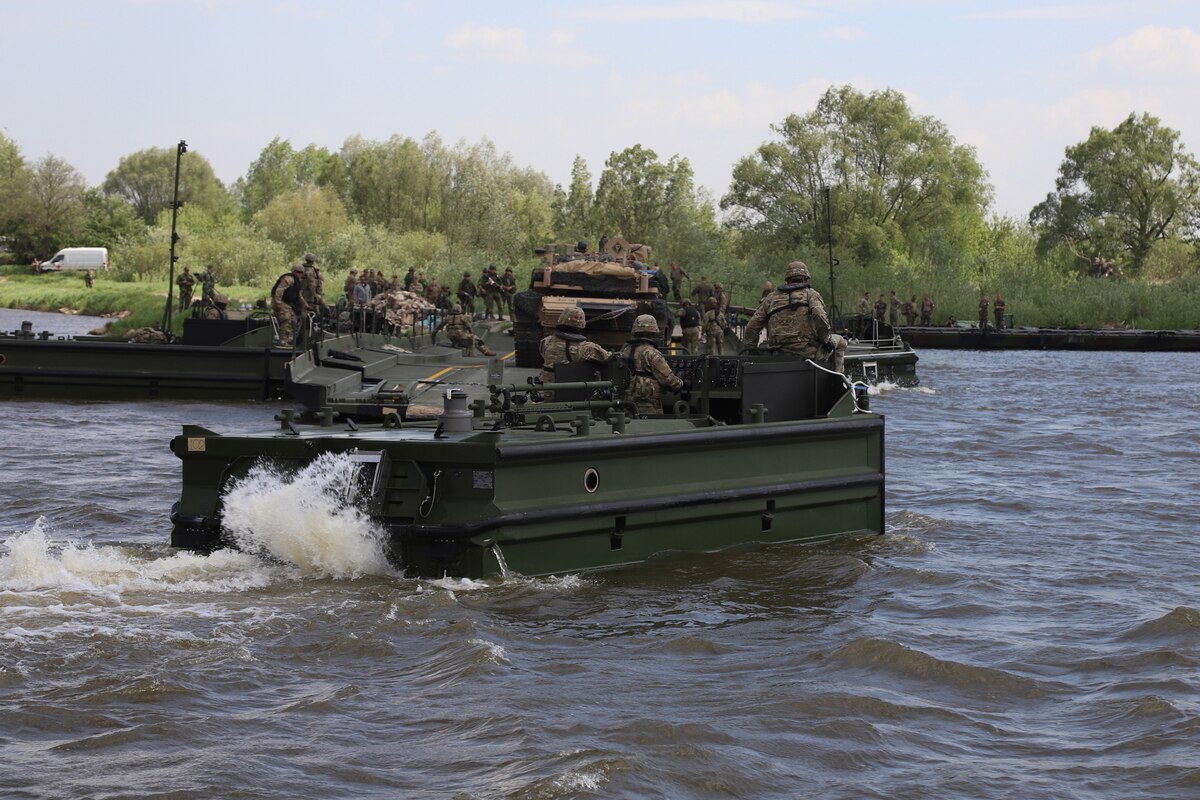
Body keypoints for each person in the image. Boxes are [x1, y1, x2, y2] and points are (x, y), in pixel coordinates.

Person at [740, 261, 830, 359]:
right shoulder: (811, 295)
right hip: (806, 352)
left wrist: (752, 352)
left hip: (776, 353)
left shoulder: (771, 298)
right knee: (841, 342)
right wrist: (824, 339)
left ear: (787, 279)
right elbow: (820, 315)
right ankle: (838, 373)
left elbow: (752, 326)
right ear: (805, 278)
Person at [619, 314, 683, 416]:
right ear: (653, 331)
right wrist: (680, 383)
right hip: (647, 407)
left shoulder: (625, 350)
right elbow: (669, 380)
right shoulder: (652, 353)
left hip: (625, 404)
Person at [539, 305, 611, 391]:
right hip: (572, 394)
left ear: (561, 319)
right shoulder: (586, 347)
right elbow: (608, 358)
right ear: (581, 323)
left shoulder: (546, 341)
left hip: (548, 392)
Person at [272, 264, 309, 344]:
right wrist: (278, 303)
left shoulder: (297, 282)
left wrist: (305, 305)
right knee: (287, 318)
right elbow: (279, 291)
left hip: (287, 303)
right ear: (294, 272)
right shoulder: (288, 279)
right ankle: (283, 341)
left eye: (302, 273)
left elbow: (298, 295)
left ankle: (287, 338)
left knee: (294, 320)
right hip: (280, 301)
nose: (300, 274)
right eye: (298, 272)